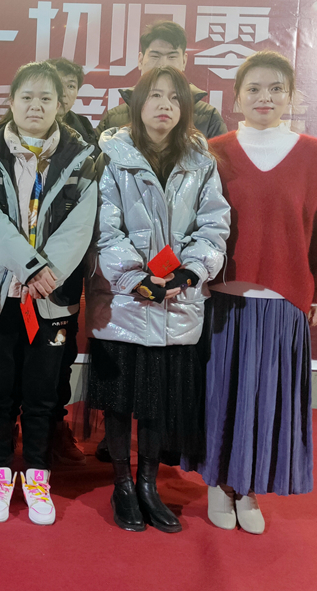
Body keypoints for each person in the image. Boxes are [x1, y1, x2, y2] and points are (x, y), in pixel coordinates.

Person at [182, 51, 317, 534]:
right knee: (219, 397)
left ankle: (249, 487)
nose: (264, 97)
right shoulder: (213, 151)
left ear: (290, 96)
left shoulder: (313, 153)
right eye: (253, 88)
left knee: (266, 401)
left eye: (275, 88)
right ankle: (218, 482)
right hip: (222, 297)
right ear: (236, 98)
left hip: (284, 301)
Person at [89, 65, 230, 533]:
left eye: (174, 97)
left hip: (177, 300)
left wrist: (191, 270)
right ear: (137, 104)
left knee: (156, 400)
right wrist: (135, 277)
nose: (164, 105)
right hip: (124, 300)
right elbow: (104, 227)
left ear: (186, 108)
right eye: (155, 96)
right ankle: (122, 486)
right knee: (119, 400)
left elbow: (214, 224)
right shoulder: (111, 155)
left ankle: (148, 485)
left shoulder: (201, 159)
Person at [0, 61, 98, 526]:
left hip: (52, 294)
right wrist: (29, 265)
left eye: (46, 98)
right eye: (27, 97)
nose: (35, 106)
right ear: (12, 102)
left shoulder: (83, 157)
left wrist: (48, 273)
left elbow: (80, 225)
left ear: (62, 103)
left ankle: (38, 476)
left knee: (42, 395)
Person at [44, 57, 101, 464]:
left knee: (60, 350)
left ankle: (54, 425)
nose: (63, 94)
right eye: (55, 84)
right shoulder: (5, 136)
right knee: (14, 353)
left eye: (70, 86)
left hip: (67, 268)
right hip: (15, 269)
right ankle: (12, 426)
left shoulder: (88, 139)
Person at [97, 20, 227, 140]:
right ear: (140, 60)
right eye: (155, 56)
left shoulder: (208, 118)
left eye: (172, 56)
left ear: (184, 61)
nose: (163, 64)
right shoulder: (113, 119)